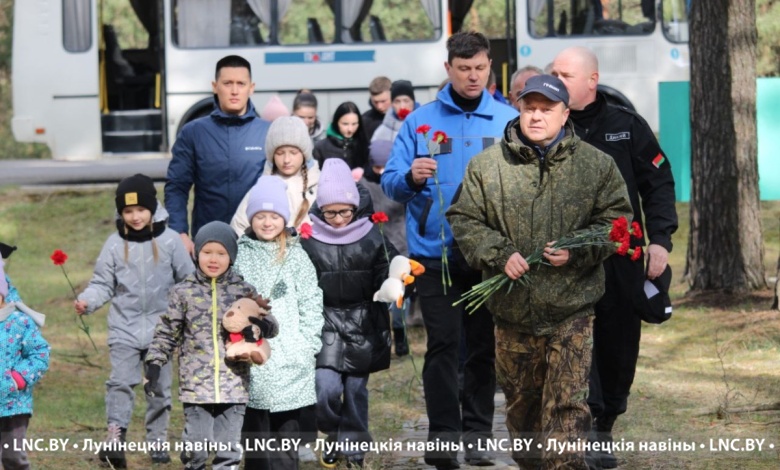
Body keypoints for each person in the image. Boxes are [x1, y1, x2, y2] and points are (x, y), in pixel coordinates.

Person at [447, 74, 632, 470]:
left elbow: (618, 224)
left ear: (565, 114)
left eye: (546, 109)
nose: (536, 116)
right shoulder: (487, 166)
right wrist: (500, 254)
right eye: (529, 107)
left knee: (567, 412)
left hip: (572, 312)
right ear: (518, 108)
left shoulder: (597, 166)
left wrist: (578, 250)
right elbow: (463, 218)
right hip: (511, 313)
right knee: (523, 415)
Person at [381, 30, 518, 469]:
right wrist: (412, 178)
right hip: (433, 254)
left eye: (480, 68)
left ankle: (477, 435)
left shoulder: (506, 121)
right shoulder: (420, 121)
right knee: (443, 344)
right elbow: (390, 182)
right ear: (448, 70)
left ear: (489, 67)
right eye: (464, 69)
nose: (473, 76)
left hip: (489, 256)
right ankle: (443, 438)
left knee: (482, 346)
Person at [551, 47, 677, 468]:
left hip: (622, 257)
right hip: (567, 260)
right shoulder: (546, 126)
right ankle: (584, 428)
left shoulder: (625, 126)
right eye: (554, 73)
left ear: (591, 80)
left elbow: (658, 183)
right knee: (574, 341)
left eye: (566, 74)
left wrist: (660, 240)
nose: (557, 80)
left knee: (619, 343)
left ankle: (606, 424)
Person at [74, 174, 194, 467]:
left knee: (159, 389)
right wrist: (88, 300)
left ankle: (157, 441)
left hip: (161, 332)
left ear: (153, 208)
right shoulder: (114, 244)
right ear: (120, 213)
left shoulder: (169, 241)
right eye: (128, 211)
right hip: (123, 329)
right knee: (120, 383)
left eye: (141, 209)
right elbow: (103, 282)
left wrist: (189, 316)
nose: (135, 216)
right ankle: (115, 439)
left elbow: (188, 281)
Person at [144, 221, 279, 470]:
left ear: (232, 256)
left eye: (221, 253)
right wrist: (154, 363)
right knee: (197, 450)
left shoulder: (244, 291)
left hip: (234, 385)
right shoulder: (183, 292)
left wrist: (264, 326)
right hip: (196, 387)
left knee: (228, 452)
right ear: (197, 253)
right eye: (207, 252)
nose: (213, 259)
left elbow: (267, 320)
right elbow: (166, 332)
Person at [301, 158, 397, 469]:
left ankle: (354, 448)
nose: (339, 219)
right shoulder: (309, 239)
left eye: (345, 211)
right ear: (321, 209)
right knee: (324, 388)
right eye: (331, 212)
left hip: (363, 323)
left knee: (356, 390)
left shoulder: (372, 234)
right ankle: (333, 431)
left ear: (355, 207)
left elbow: (390, 267)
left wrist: (393, 281)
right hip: (324, 324)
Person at [234, 175, 324, 470]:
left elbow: (311, 300)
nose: (267, 222)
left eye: (274, 216)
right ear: (251, 218)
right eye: (260, 216)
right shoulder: (240, 255)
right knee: (257, 441)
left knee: (286, 439)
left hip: (290, 361)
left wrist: (307, 344)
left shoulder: (296, 256)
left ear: (284, 219)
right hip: (254, 361)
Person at [165, 54, 271, 255]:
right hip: (208, 243)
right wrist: (179, 232)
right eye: (227, 83)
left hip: (258, 242)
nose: (234, 90)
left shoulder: (268, 132)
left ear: (251, 87)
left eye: (241, 83)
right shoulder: (193, 132)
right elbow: (177, 186)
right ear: (215, 86)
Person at [361, 140, 411, 356]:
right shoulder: (363, 185)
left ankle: (400, 333)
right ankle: (382, 338)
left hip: (400, 244)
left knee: (400, 293)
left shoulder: (398, 181)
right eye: (377, 167)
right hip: (376, 246)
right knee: (380, 294)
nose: (381, 172)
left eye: (385, 166)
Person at [231, 116, 321, 234]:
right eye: (280, 153)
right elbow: (239, 227)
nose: (286, 160)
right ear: (271, 155)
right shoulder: (260, 189)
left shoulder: (321, 187)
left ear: (304, 154)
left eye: (293, 153)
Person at [0, 258, 50, 470]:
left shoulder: (20, 322)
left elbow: (39, 353)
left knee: (13, 457)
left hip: (14, 404)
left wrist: (18, 379)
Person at [313, 102, 370, 174]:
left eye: (354, 124)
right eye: (345, 124)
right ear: (336, 122)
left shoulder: (364, 144)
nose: (350, 129)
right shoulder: (321, 147)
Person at [371, 79, 418, 144]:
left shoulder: (426, 124)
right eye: (397, 101)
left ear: (413, 102)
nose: (402, 107)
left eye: (406, 101)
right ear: (392, 103)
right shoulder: (382, 131)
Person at [361, 76, 392, 140]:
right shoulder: (364, 120)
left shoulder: (407, 118)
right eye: (375, 102)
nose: (379, 106)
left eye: (383, 101)